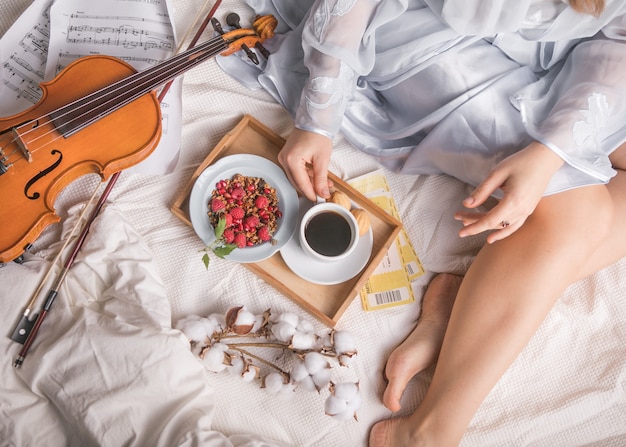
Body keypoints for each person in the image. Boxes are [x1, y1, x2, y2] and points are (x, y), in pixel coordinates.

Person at [218, 0, 626, 445]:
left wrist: (552, 151)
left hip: (569, 45)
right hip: (421, 27)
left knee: (571, 195)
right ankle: (430, 430)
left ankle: (464, 311)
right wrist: (318, 115)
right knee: (576, 214)